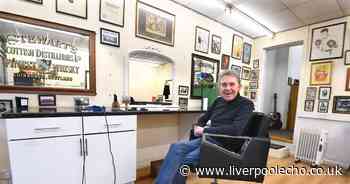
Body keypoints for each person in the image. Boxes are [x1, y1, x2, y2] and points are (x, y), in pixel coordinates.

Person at [155, 70, 254, 184]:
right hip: (208, 139)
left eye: (232, 84)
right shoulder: (218, 101)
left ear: (239, 87)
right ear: (219, 87)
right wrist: (198, 127)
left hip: (226, 146)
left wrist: (205, 130)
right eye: (224, 84)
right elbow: (203, 119)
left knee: (184, 159)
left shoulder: (246, 104)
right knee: (176, 147)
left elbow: (235, 130)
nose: (227, 88)